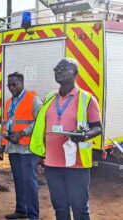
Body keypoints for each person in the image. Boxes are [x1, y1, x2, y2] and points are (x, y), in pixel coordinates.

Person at [30, 58, 102, 220]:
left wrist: (84, 135)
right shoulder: (50, 96)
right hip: (52, 164)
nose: (59, 71)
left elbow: (98, 128)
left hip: (76, 164)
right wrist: (41, 155)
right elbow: (43, 127)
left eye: (64, 68)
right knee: (60, 208)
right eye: (56, 68)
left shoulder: (87, 98)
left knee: (80, 209)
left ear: (75, 73)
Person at [1, 72, 42, 220]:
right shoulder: (8, 102)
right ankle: (21, 210)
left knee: (29, 182)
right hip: (13, 148)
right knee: (18, 180)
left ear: (22, 83)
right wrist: (2, 145)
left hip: (28, 149)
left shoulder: (33, 100)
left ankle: (33, 215)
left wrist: (23, 133)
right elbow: (5, 124)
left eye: (15, 84)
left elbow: (40, 122)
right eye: (9, 85)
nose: (12, 87)